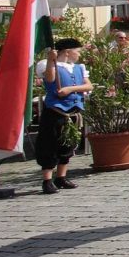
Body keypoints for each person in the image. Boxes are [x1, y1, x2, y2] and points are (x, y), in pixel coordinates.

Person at [37, 39, 91, 194]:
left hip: (73, 111)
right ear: (68, 52)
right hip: (55, 111)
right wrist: (50, 60)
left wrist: (69, 89)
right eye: (77, 50)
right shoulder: (51, 66)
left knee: (67, 145)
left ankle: (61, 177)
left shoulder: (79, 68)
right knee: (50, 145)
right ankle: (47, 180)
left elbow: (88, 85)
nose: (79, 54)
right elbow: (49, 79)